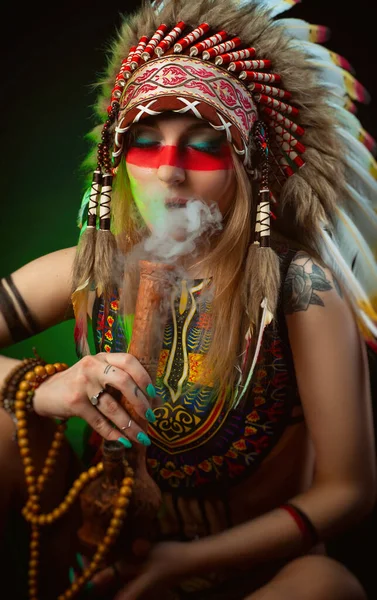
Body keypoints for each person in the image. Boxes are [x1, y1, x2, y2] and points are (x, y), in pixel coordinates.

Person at [0, 0, 376, 599]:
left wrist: (173, 567)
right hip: (102, 548)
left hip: (250, 575)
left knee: (328, 586)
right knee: (3, 425)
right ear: (119, 162)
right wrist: (43, 387)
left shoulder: (301, 290)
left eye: (203, 144)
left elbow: (349, 490)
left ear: (247, 162)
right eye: (146, 141)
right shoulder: (90, 269)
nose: (171, 172)